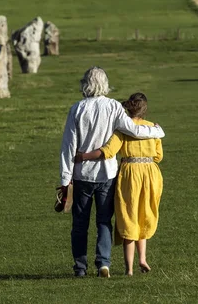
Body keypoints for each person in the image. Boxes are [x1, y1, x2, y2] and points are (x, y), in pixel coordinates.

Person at [59, 67, 165, 278]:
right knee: (104, 221)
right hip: (107, 174)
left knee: (80, 224)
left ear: (85, 84)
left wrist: (65, 178)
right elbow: (133, 130)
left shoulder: (76, 109)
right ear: (105, 84)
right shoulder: (114, 106)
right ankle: (103, 263)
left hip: (82, 175)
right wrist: (157, 131)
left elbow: (68, 146)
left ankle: (80, 267)